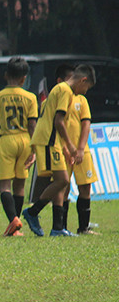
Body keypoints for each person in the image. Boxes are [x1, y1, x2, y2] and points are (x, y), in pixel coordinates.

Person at [22, 64, 96, 237]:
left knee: (61, 181)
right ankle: (32, 213)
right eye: (86, 87)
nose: (85, 92)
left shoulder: (62, 90)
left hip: (52, 141)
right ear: (83, 80)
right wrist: (70, 147)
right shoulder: (65, 91)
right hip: (48, 140)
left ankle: (57, 227)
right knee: (62, 181)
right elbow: (58, 121)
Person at [0, 57, 38, 236]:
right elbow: (32, 125)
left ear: (6, 75)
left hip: (7, 140)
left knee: (4, 186)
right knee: (20, 185)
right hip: (25, 140)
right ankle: (15, 226)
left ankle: (13, 221)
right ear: (24, 78)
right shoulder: (30, 98)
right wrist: (35, 148)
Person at [64, 75, 98, 234]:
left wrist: (80, 148)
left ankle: (83, 227)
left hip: (80, 150)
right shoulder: (59, 98)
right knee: (62, 186)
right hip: (63, 150)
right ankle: (60, 227)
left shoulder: (82, 101)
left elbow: (86, 124)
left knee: (85, 186)